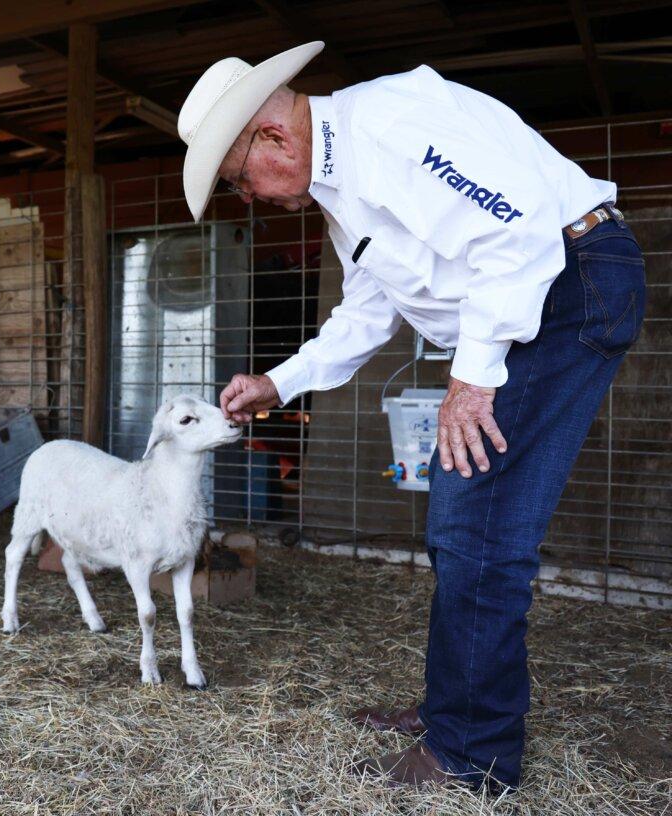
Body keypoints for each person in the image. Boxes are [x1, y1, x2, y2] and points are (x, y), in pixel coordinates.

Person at [178, 42, 646, 790]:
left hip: (568, 282)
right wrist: (280, 382)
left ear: (273, 137)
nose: (252, 198)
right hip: (537, 295)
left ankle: (473, 756)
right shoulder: (342, 191)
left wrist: (473, 376)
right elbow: (368, 311)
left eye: (240, 180)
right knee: (463, 525)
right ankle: (454, 714)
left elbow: (518, 227)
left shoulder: (390, 124)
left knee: (477, 524)